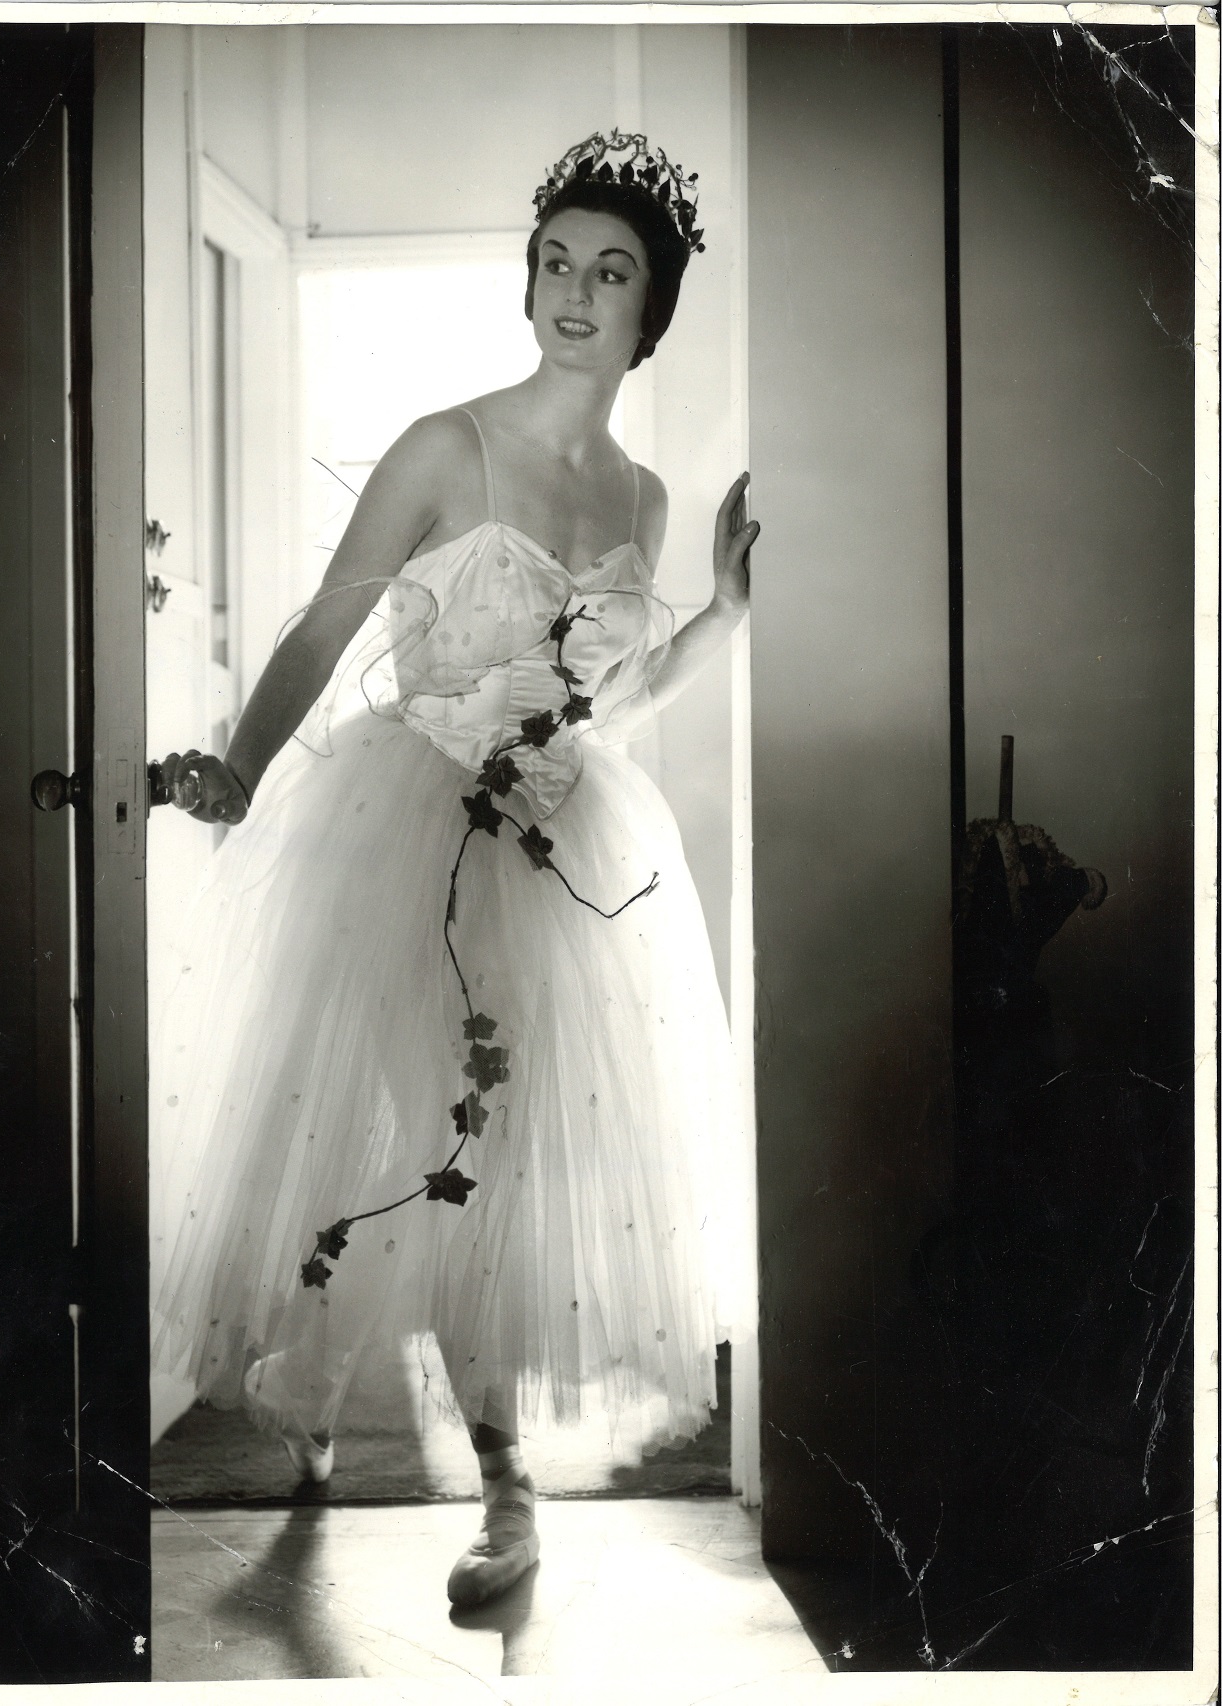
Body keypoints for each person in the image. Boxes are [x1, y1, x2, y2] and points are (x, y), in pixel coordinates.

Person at [149, 130, 760, 1611]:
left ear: (648, 312)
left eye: (607, 272)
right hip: (406, 823)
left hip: (564, 844)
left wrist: (729, 608)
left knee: (499, 1159)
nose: (571, 290)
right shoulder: (445, 443)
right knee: (403, 1132)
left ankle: (493, 1488)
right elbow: (316, 628)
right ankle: (365, 1420)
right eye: (554, 259)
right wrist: (236, 771)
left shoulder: (645, 499)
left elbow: (613, 694)